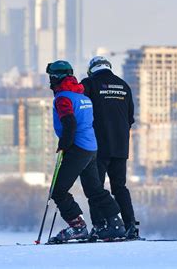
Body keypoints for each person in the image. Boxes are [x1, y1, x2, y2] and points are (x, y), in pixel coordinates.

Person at [46, 60, 125, 243]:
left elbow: (70, 123)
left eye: (51, 77)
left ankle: (78, 227)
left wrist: (64, 145)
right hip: (91, 148)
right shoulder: (83, 97)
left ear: (55, 78)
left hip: (77, 148)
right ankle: (116, 224)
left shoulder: (63, 98)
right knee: (94, 189)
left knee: (58, 190)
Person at [80, 56, 138, 239]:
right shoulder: (123, 85)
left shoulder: (89, 84)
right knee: (120, 187)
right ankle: (130, 226)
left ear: (91, 70)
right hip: (121, 147)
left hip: (97, 146)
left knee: (95, 188)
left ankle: (100, 226)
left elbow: (81, 112)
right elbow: (130, 119)